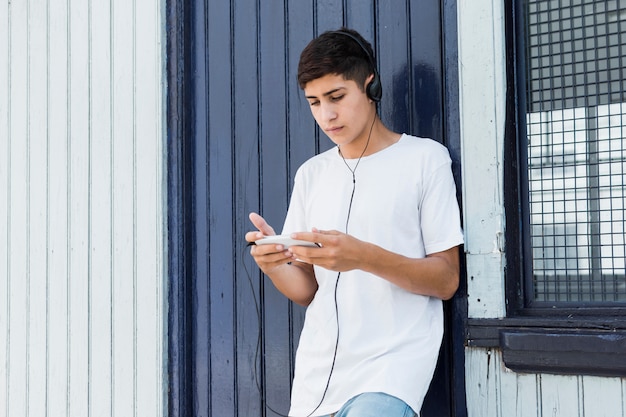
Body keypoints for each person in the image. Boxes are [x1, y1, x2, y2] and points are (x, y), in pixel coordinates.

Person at [246, 27, 463, 417]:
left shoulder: (425, 160)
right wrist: (275, 266)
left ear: (370, 85)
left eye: (336, 97)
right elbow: (308, 289)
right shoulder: (311, 174)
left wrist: (362, 256)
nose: (326, 115)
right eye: (314, 102)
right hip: (317, 377)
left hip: (390, 371)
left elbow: (446, 280)